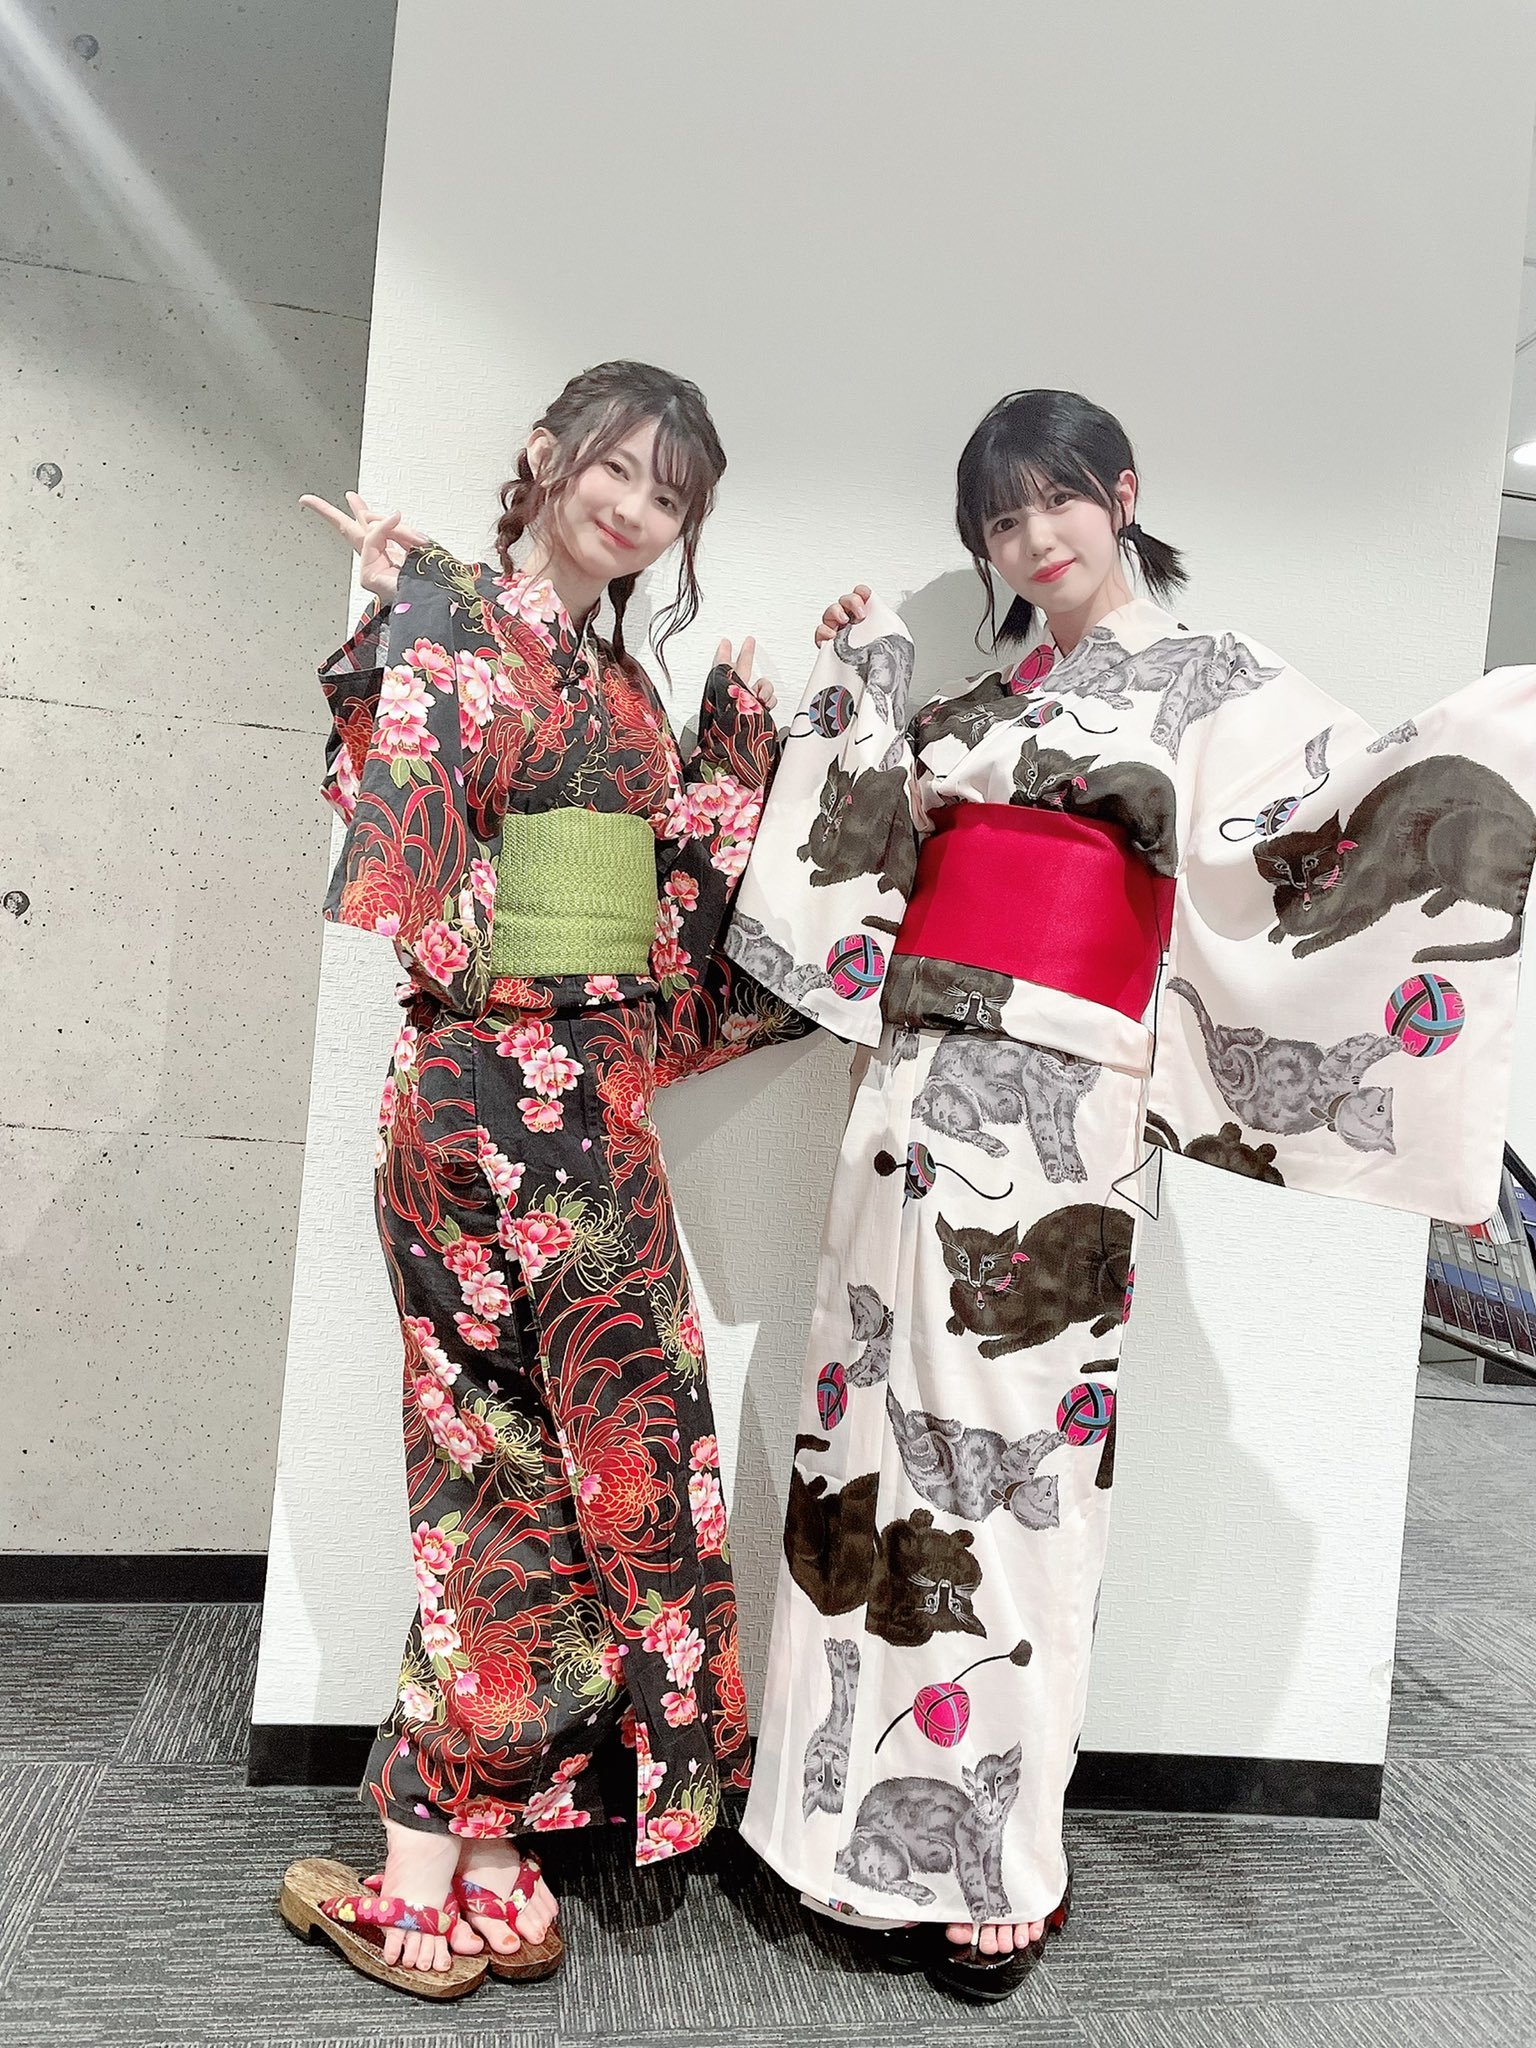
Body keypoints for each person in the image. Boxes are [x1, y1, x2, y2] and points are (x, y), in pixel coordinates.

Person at [724, 387, 1536, 2002]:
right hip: (910, 1091)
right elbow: (861, 868)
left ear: (1122, 495)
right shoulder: (975, 705)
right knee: (862, 1435)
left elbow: (1331, 824)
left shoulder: (1217, 680)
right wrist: (860, 685)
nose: (1034, 540)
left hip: (1056, 1110)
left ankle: (990, 1858)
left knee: (1012, 1475)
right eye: (1000, 522)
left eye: (1057, 502)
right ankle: (827, 1828)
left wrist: (1504, 730)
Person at [278, 360, 801, 1999]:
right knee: (489, 1472)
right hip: (481, 1095)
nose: (634, 508)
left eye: (669, 495)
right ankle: (420, 1865)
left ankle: (504, 1845)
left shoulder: (625, 690)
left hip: (599, 1113)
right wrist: (408, 613)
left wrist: (749, 728)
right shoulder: (461, 621)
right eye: (616, 468)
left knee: (608, 1477)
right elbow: (408, 820)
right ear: (547, 455)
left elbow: (678, 906)